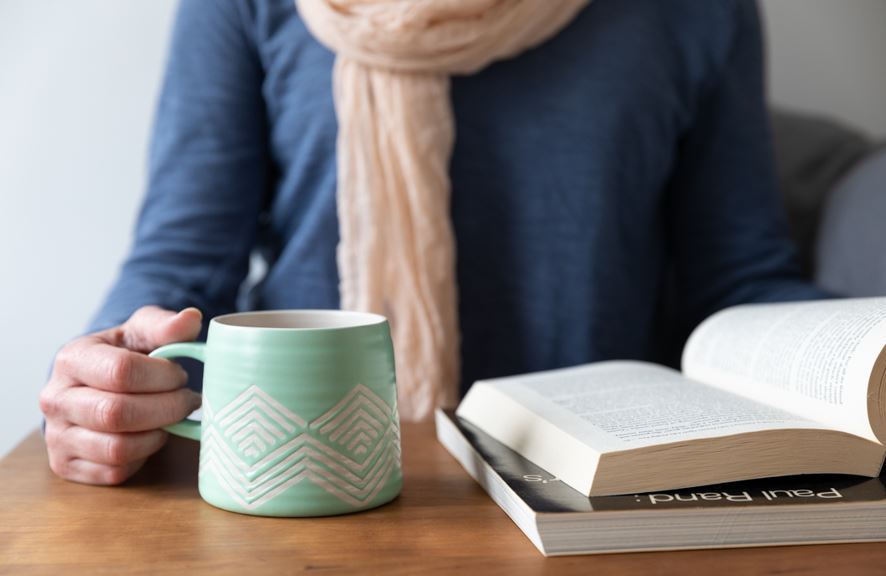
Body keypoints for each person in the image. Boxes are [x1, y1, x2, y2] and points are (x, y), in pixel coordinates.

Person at [39, 0, 828, 486]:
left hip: (603, 488)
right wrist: (106, 387)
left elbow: (742, 277)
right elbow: (181, 265)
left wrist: (849, 357)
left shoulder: (699, 9)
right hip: (304, 479)